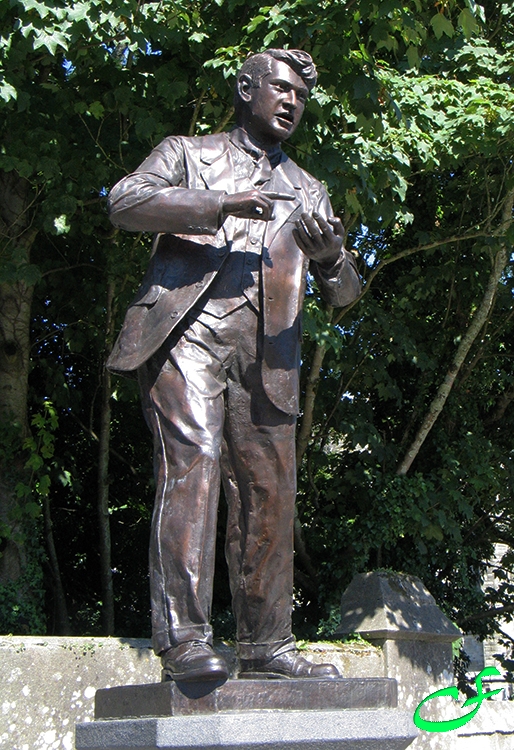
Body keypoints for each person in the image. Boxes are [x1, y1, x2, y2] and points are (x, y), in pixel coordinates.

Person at [107, 48, 361, 683]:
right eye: (280, 88)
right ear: (246, 88)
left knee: (270, 490)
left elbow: (347, 293)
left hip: (269, 352)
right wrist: (217, 204)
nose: (291, 101)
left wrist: (331, 259)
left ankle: (266, 644)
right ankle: (185, 637)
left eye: (300, 94)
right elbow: (125, 202)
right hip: (188, 331)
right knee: (194, 462)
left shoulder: (308, 188)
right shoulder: (189, 153)